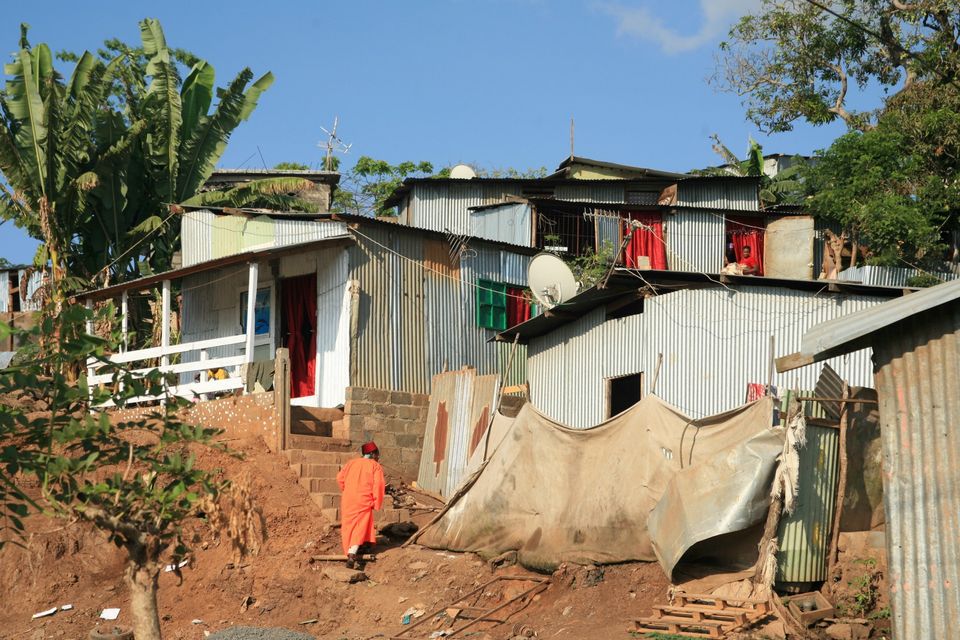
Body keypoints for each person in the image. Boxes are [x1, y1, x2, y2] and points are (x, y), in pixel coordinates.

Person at [336, 441, 385, 569]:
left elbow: (340, 478)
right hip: (363, 499)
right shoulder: (375, 466)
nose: (378, 458)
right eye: (377, 455)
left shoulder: (351, 463)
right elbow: (378, 486)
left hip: (348, 498)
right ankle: (352, 554)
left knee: (349, 525)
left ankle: (356, 547)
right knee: (360, 526)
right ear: (372, 453)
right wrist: (377, 502)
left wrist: (346, 489)